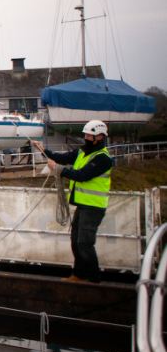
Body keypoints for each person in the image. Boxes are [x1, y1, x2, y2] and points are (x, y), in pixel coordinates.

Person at [32, 119, 113, 283]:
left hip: (94, 207)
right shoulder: (82, 152)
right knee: (76, 242)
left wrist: (58, 169)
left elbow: (82, 175)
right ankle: (79, 275)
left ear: (99, 137)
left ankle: (94, 278)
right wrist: (42, 149)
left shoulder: (103, 159)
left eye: (89, 135)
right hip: (83, 205)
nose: (85, 138)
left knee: (85, 243)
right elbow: (60, 158)